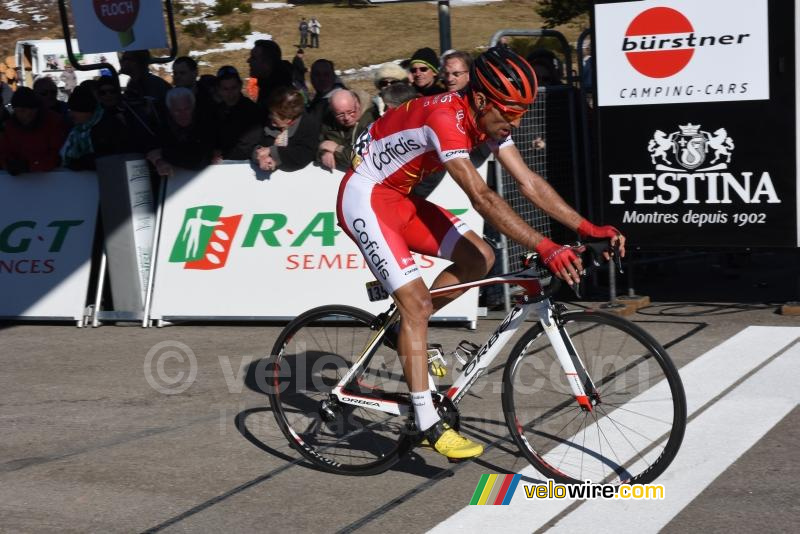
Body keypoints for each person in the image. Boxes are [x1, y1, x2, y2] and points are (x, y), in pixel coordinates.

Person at [336, 47, 625, 460]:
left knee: (480, 257)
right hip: (364, 197)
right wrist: (544, 245)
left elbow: (529, 183)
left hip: (398, 198)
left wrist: (586, 227)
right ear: (482, 100)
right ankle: (426, 423)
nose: (516, 122)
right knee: (417, 303)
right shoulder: (446, 120)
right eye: (510, 111)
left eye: (524, 111)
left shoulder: (491, 120)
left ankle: (407, 329)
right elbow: (482, 197)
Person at [246, 86, 320, 172]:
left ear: (288, 117)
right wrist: (260, 157)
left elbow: (302, 155)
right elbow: (252, 144)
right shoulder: (265, 122)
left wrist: (271, 152)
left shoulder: (308, 126)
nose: (270, 117)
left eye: (274, 115)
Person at [146, 87, 216, 175]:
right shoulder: (160, 126)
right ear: (170, 110)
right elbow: (150, 149)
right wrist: (159, 161)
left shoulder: (206, 124)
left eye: (187, 109)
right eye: (177, 110)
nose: (183, 115)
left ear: (193, 107)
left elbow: (200, 158)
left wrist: (164, 155)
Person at [0, 87, 67, 175]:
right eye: (16, 110)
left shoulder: (53, 123)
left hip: (51, 179)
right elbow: (4, 152)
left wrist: (31, 165)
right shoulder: (10, 126)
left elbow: (57, 156)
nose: (19, 114)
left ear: (34, 109)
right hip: (20, 182)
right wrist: (8, 164)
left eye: (23, 111)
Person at [319, 88, 378, 172]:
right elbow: (319, 143)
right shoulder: (329, 120)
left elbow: (361, 158)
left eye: (351, 112)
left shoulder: (371, 121)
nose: (346, 118)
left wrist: (336, 149)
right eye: (340, 114)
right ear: (333, 112)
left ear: (357, 104)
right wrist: (324, 152)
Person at [213, 66, 262, 160]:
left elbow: (248, 147)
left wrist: (223, 154)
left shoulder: (252, 111)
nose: (230, 93)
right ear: (218, 90)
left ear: (240, 86)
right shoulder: (215, 111)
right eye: (225, 89)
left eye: (233, 88)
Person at [247, 39, 293, 120]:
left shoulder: (281, 96)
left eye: (253, 58)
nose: (248, 61)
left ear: (267, 63)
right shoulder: (266, 85)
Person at [61, 86, 103, 171]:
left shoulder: (105, 127)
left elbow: (108, 158)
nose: (71, 114)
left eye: (76, 110)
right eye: (70, 110)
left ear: (88, 111)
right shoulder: (75, 131)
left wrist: (84, 162)